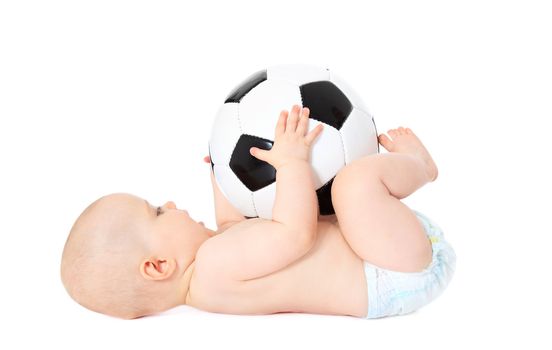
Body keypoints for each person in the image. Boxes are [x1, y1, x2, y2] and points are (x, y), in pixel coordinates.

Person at [60, 105, 455, 319]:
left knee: (349, 195)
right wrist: (291, 163)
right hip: (393, 272)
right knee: (353, 186)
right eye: (159, 213)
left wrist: (223, 171)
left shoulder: (212, 277)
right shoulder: (215, 265)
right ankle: (422, 167)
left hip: (383, 255)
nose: (172, 205)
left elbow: (235, 224)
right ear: (159, 265)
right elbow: (293, 233)